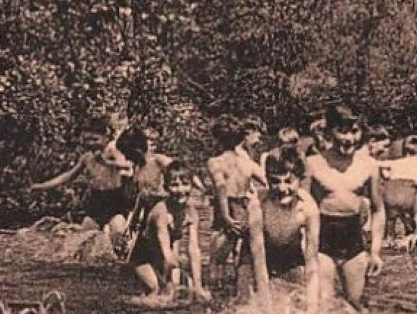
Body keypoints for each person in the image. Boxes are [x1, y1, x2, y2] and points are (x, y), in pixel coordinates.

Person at [304, 104, 387, 310]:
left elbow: (378, 209)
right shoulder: (313, 164)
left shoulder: (369, 165)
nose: (349, 138)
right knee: (324, 304)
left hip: (353, 241)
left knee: (354, 305)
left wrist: (375, 251)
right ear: (330, 131)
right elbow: (302, 207)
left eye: (354, 131)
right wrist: (305, 248)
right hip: (322, 240)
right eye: (342, 131)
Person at [246, 146, 333, 311]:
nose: (282, 188)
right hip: (256, 254)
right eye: (275, 181)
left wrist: (311, 312)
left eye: (288, 181)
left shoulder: (308, 208)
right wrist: (266, 310)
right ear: (267, 180)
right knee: (248, 304)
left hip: (290, 254)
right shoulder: (258, 205)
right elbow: (258, 257)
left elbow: (311, 261)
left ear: (300, 180)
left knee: (301, 303)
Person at [29, 118, 135, 238]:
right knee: (85, 236)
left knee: (118, 232)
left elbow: (127, 166)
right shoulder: (87, 158)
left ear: (105, 137)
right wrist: (42, 186)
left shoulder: (113, 151)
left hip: (114, 200)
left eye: (95, 139)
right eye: (87, 140)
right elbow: (68, 176)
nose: (91, 143)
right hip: (96, 200)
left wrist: (105, 162)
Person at [126, 161, 208, 303]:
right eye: (175, 185)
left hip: (162, 257)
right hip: (142, 258)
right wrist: (170, 284)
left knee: (188, 292)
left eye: (185, 184)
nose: (181, 190)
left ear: (191, 186)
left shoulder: (191, 212)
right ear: (166, 188)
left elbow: (194, 250)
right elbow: (166, 251)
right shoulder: (161, 211)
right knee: (158, 293)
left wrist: (198, 286)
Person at [205, 115, 267, 289]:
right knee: (245, 259)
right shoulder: (246, 163)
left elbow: (221, 188)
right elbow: (267, 181)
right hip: (246, 209)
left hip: (227, 211)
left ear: (217, 140)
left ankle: (215, 296)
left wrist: (225, 216)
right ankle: (243, 292)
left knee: (216, 263)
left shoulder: (215, 162)